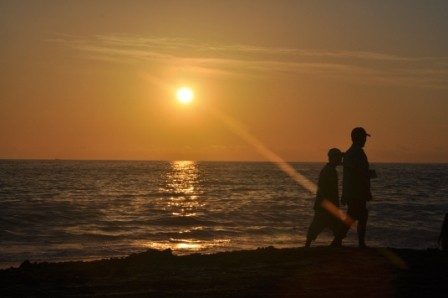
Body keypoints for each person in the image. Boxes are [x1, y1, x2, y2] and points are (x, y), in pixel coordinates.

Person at [338, 127, 373, 248]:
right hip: (357, 192)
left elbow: (351, 174)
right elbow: (359, 173)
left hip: (353, 191)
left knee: (355, 216)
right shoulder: (358, 153)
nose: (365, 140)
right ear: (359, 138)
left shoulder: (349, 153)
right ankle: (357, 243)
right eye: (363, 137)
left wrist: (344, 193)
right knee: (357, 216)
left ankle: (340, 240)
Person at [305, 148, 343, 248]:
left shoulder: (328, 170)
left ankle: (307, 246)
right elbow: (330, 192)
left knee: (318, 227)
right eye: (339, 157)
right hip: (325, 207)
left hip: (323, 205)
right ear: (333, 158)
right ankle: (335, 246)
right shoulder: (330, 171)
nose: (340, 159)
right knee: (335, 228)